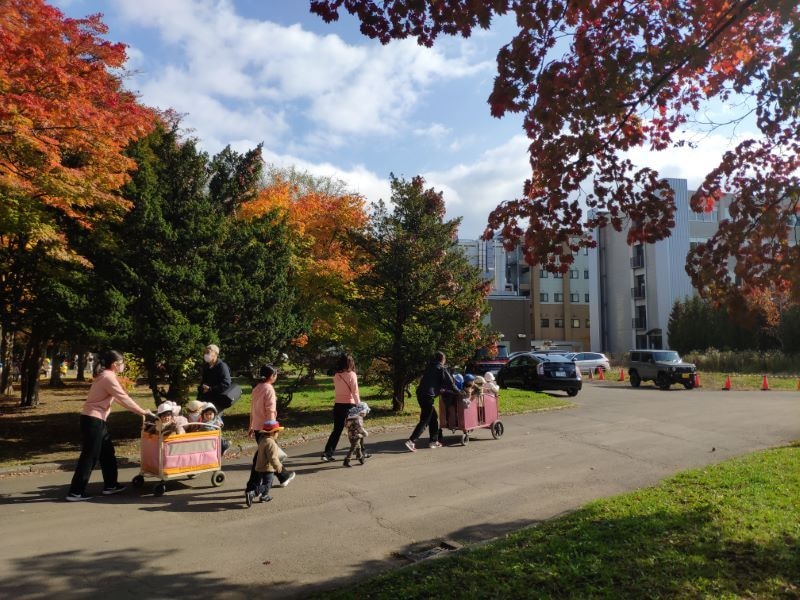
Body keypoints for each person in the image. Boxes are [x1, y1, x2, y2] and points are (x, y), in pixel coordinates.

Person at [66, 350, 154, 501]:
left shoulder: (107, 375)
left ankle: (111, 485)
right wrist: (141, 412)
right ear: (114, 365)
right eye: (121, 364)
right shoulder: (108, 377)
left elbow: (118, 398)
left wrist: (140, 411)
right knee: (90, 456)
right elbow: (123, 398)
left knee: (107, 454)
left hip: (96, 420)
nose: (123, 366)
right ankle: (76, 492)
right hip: (93, 420)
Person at [404, 351, 458, 452]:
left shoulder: (430, 367)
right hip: (428, 396)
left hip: (421, 394)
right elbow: (450, 383)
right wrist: (459, 392)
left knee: (433, 418)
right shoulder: (441, 368)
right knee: (425, 420)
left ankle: (434, 441)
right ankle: (411, 441)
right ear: (443, 359)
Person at [246, 421, 296, 507]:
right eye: (277, 432)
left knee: (266, 482)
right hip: (267, 468)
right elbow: (273, 457)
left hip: (260, 467)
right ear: (273, 432)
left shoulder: (263, 440)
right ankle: (253, 493)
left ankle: (264, 496)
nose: (278, 434)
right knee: (267, 484)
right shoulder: (271, 443)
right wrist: (278, 465)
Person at [321, 354, 360, 462]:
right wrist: (360, 406)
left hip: (338, 405)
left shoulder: (337, 375)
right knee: (356, 430)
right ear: (351, 363)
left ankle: (327, 453)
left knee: (336, 430)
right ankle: (360, 453)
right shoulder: (352, 375)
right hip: (350, 405)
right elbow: (355, 393)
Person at [197, 344, 235, 412]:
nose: (205, 355)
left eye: (208, 352)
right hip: (205, 400)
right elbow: (203, 382)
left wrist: (210, 389)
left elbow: (226, 383)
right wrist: (201, 389)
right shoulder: (206, 366)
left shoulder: (222, 366)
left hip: (217, 401)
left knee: (212, 420)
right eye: (205, 353)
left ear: (216, 354)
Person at [343, 402, 370, 467]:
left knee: (358, 447)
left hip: (350, 435)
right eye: (365, 412)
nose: (366, 413)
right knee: (353, 447)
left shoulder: (350, 416)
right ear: (362, 411)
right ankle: (347, 460)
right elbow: (360, 428)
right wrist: (365, 433)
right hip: (356, 435)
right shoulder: (358, 418)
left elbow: (346, 425)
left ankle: (360, 458)